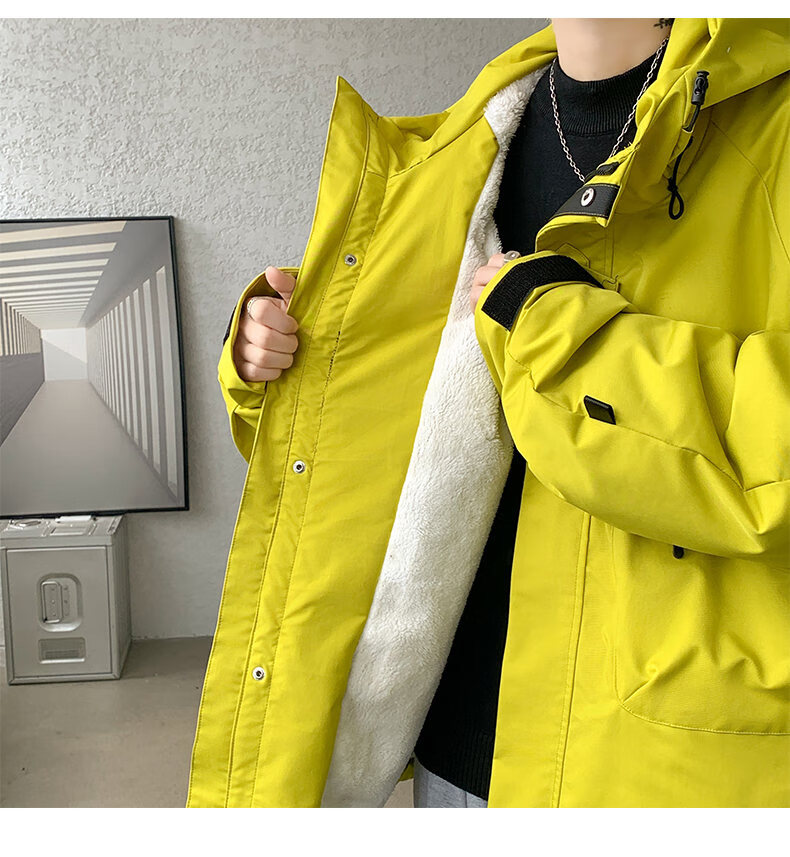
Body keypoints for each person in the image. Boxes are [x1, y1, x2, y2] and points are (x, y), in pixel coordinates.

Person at [189, 18, 790, 808]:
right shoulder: (467, 143)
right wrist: (270, 359)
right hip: (452, 737)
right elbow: (375, 427)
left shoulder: (769, 130)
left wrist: (556, 336)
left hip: (652, 759)